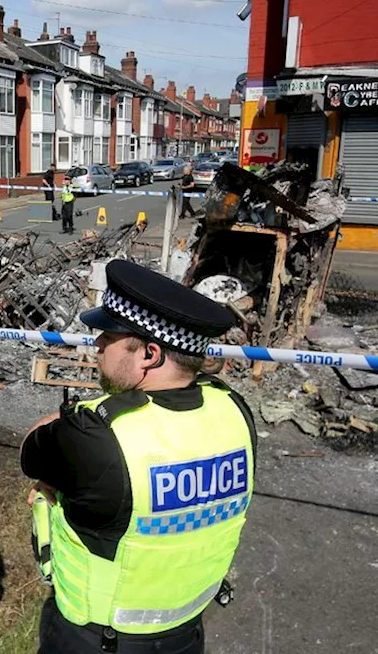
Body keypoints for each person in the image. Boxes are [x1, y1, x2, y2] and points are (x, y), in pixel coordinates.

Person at [22, 259, 257, 654]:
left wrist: (89, 410)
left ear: (149, 354)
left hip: (96, 641)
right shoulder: (236, 412)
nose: (96, 345)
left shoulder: (97, 436)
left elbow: (32, 448)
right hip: (186, 633)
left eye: (108, 337)